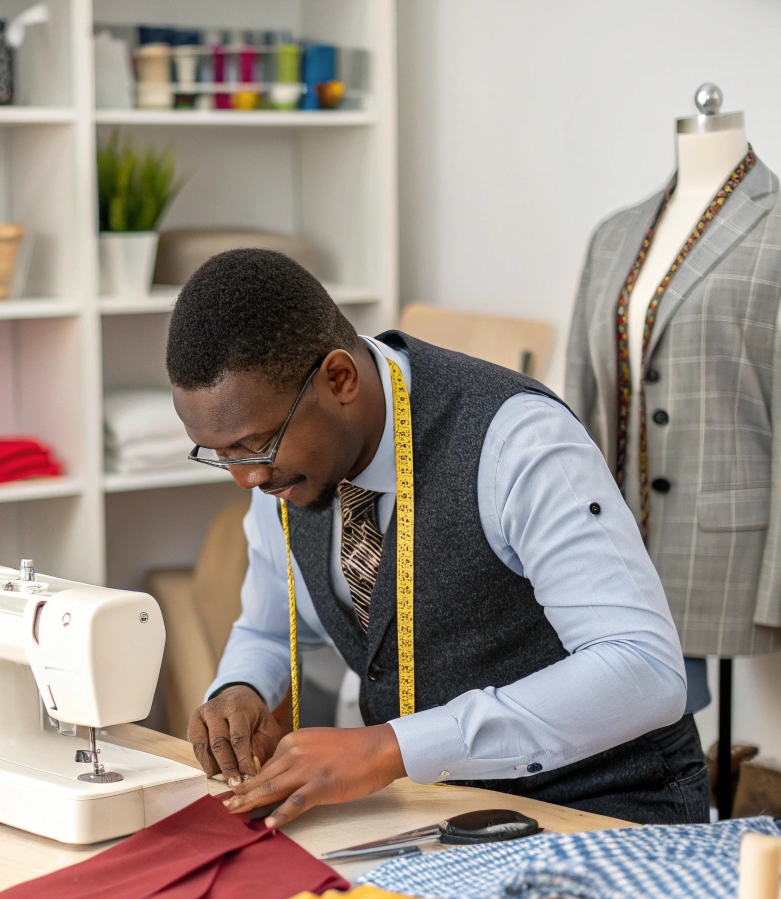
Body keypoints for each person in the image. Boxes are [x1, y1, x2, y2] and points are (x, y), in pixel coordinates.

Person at [168, 248, 709, 830]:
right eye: (221, 457)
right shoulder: (279, 468)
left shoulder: (519, 441)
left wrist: (387, 749)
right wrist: (240, 687)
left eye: (255, 447)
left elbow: (644, 670)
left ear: (339, 378)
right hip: (442, 813)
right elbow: (270, 626)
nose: (247, 477)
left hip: (604, 805)